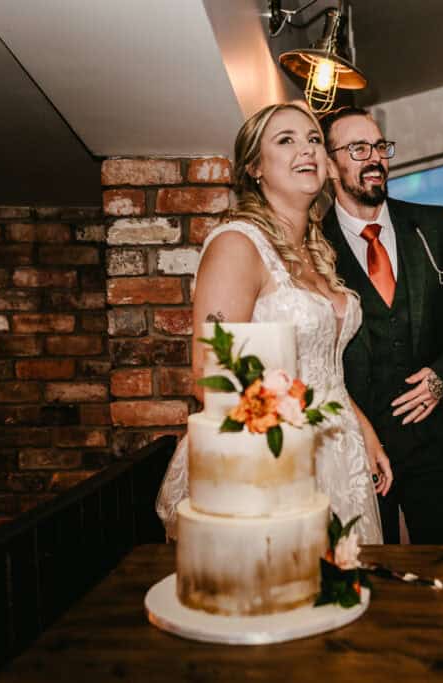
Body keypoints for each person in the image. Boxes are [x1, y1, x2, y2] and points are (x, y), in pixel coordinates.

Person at [156, 102, 391, 545]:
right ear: (255, 168)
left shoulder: (317, 252)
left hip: (340, 454)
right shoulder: (237, 246)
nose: (307, 150)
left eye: (314, 139)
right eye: (286, 140)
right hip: (268, 453)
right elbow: (212, 381)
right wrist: (286, 457)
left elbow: (325, 370)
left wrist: (365, 432)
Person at [319, 106, 443, 556]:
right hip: (358, 446)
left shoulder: (434, 226)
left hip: (437, 439)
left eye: (379, 146)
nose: (375, 158)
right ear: (329, 163)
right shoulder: (312, 247)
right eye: (358, 148)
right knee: (367, 571)